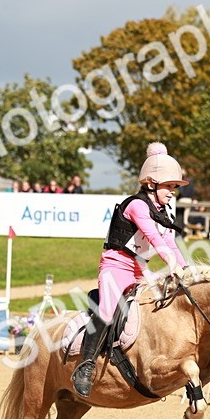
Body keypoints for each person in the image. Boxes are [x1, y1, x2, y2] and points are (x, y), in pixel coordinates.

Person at [71, 142, 191, 397]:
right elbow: (153, 238)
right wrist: (169, 259)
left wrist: (186, 270)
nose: (172, 192)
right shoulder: (137, 205)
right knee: (108, 308)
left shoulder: (163, 212)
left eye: (174, 187)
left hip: (139, 269)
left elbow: (170, 242)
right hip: (116, 265)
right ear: (151, 184)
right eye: (169, 186)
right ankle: (85, 365)